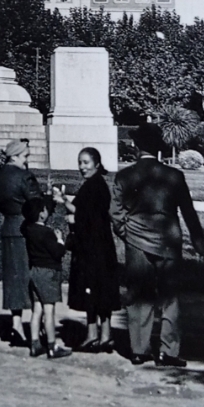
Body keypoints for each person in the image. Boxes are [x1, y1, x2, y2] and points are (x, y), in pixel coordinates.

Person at [112, 137, 204, 367]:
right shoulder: (174, 176)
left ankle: (138, 349)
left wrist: (127, 232)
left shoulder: (124, 175)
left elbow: (115, 212)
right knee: (170, 297)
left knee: (138, 294)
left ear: (136, 146)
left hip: (136, 240)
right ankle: (168, 351)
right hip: (168, 241)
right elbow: (188, 211)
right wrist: (199, 242)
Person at [0, 137, 43, 347]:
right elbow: (36, 202)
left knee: (13, 278)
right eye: (25, 156)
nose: (26, 161)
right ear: (16, 156)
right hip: (27, 229)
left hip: (8, 228)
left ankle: (16, 323)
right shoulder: (25, 177)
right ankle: (37, 325)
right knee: (34, 277)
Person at [65, 147, 120, 353]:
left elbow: (87, 216)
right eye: (80, 162)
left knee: (91, 290)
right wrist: (66, 203)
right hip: (100, 246)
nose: (82, 167)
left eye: (86, 162)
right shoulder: (96, 184)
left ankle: (93, 335)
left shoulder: (93, 186)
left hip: (92, 247)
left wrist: (70, 214)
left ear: (97, 164)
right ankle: (104, 335)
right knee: (101, 291)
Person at [22, 197, 72, 359]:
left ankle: (35, 344)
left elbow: (24, 225)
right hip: (48, 273)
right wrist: (59, 239)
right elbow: (58, 252)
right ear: (41, 214)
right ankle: (52, 346)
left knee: (37, 310)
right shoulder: (47, 233)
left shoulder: (29, 229)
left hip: (34, 271)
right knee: (49, 311)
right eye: (44, 209)